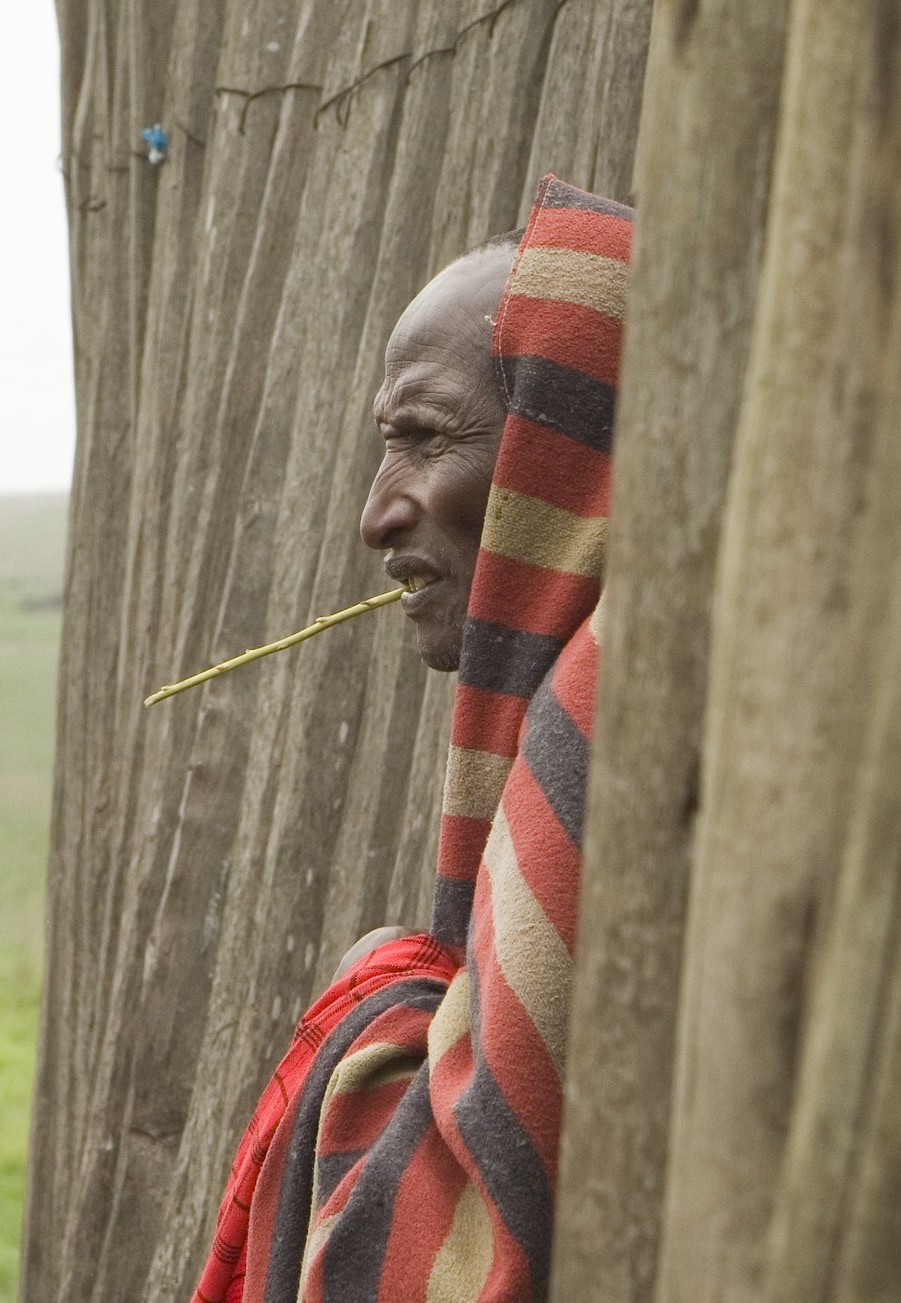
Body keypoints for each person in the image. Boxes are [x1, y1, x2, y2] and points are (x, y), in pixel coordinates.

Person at [192, 176, 633, 1303]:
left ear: (561, 453)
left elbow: (454, 1249)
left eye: (424, 439)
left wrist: (377, 997)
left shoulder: (612, 718)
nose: (376, 511)